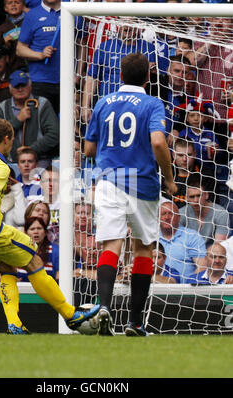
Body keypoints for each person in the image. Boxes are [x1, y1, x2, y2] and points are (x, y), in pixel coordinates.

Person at [0, 118, 99, 334]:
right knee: (33, 260)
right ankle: (71, 315)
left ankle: (14, 323)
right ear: (7, 139)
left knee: (7, 268)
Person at [84, 53, 177, 337]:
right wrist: (170, 179)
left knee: (111, 245)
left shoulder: (102, 102)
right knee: (143, 248)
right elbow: (159, 142)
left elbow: (88, 149)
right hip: (143, 184)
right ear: (148, 77)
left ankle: (104, 308)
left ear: (120, 76)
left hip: (109, 182)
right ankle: (135, 322)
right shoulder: (152, 103)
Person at [82, 24, 159, 124]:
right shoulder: (105, 47)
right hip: (108, 107)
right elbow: (92, 78)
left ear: (138, 24)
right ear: (118, 23)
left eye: (132, 21)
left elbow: (154, 81)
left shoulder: (149, 49)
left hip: (136, 110)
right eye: (125, 20)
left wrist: (151, 71)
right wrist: (85, 106)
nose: (128, 25)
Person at [0, 69, 59, 164]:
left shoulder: (42, 104)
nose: (20, 89)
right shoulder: (2, 107)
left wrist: (32, 149)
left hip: (39, 161)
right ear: (10, 88)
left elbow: (54, 134)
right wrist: (18, 120)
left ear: (30, 86)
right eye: (16, 86)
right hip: (10, 162)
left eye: (23, 85)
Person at [16, 0, 61, 115]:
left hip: (67, 81)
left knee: (68, 126)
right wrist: (40, 55)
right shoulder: (32, 15)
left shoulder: (71, 10)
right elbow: (20, 49)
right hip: (41, 82)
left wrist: (78, 73)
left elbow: (82, 43)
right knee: (42, 126)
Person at [159, 200, 207, 283]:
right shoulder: (151, 238)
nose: (167, 217)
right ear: (158, 218)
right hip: (154, 288)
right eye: (163, 214)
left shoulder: (192, 236)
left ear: (179, 217)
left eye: (171, 214)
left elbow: (202, 267)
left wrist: (188, 286)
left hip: (184, 290)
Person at [161, 137, 215, 208]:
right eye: (180, 155)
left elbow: (211, 204)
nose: (184, 159)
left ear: (195, 154)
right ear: (173, 155)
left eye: (189, 155)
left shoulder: (206, 175)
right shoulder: (165, 174)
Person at [179, 173, 230, 247]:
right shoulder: (180, 214)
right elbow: (179, 244)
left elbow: (219, 247)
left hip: (212, 255)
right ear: (187, 198)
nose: (196, 200)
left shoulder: (221, 213)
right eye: (192, 197)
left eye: (199, 195)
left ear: (206, 195)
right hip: (188, 254)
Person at [0, 0, 28, 71]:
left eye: (17, 2)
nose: (13, 5)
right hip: (15, 68)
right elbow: (0, 53)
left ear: (23, 6)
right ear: (5, 8)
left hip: (34, 64)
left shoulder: (31, 21)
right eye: (10, 3)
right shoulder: (2, 29)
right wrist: (6, 45)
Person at [24, 215, 59, 280]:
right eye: (32, 229)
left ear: (45, 232)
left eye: (39, 228)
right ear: (26, 233)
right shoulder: (18, 250)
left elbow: (60, 276)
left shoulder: (55, 251)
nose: (36, 232)